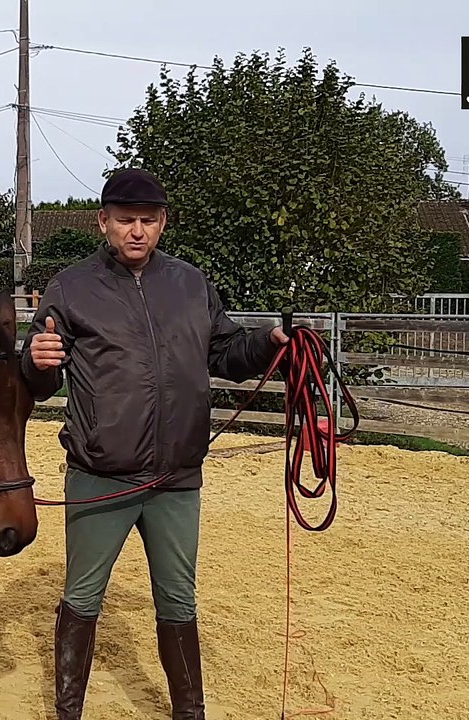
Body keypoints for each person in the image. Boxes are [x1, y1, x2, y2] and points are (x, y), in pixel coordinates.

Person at [20, 167, 289, 720]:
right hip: (102, 476)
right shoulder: (69, 288)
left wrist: (268, 344)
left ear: (163, 222)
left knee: (178, 601)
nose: (136, 231)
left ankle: (190, 712)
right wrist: (34, 361)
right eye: (125, 220)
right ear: (103, 222)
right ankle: (67, 712)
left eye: (148, 220)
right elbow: (40, 371)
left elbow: (226, 353)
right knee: (83, 597)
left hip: (176, 479)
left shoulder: (192, 284)